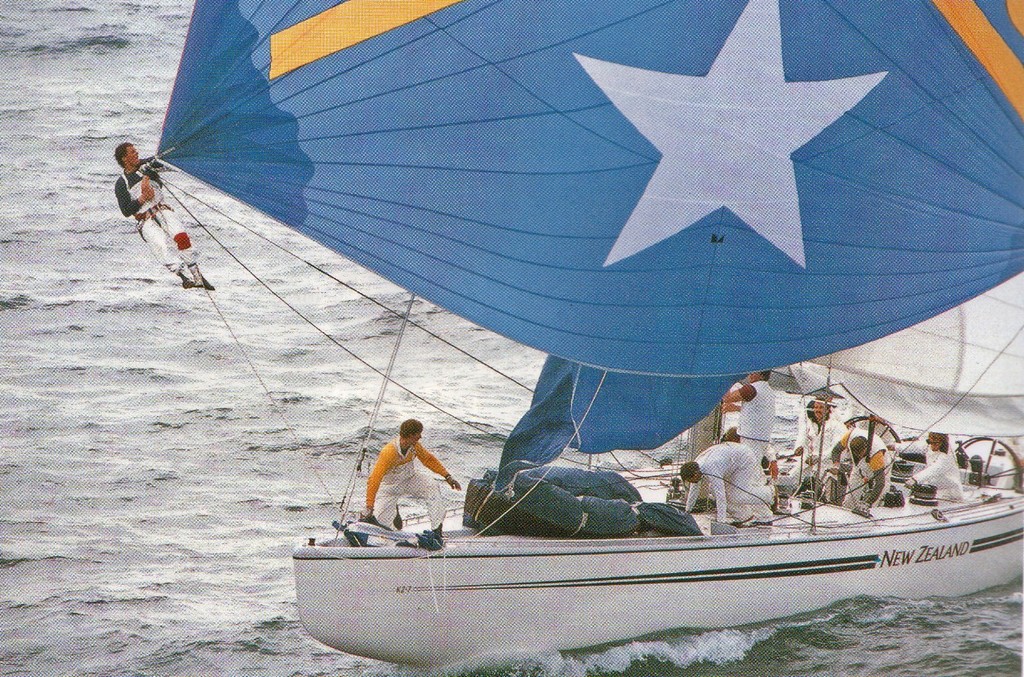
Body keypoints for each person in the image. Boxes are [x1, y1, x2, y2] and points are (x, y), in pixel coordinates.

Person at [114, 142, 213, 290]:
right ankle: (183, 277)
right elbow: (126, 211)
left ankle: (197, 275)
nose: (137, 154)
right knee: (161, 247)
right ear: (124, 158)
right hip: (146, 220)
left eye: (136, 151)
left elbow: (165, 163)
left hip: (162, 210)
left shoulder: (147, 166)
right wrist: (142, 199)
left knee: (181, 237)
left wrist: (152, 169)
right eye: (133, 152)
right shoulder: (121, 183)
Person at [362, 419, 461, 536]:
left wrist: (447, 476)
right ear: (410, 435)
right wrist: (369, 506)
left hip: (410, 479)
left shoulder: (414, 446)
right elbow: (374, 479)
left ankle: (437, 531)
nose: (420, 436)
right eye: (418, 434)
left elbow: (428, 460)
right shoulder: (388, 452)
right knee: (378, 526)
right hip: (389, 488)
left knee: (432, 485)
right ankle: (393, 512)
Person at [680, 429, 773, 525]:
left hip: (745, 459)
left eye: (691, 480)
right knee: (713, 489)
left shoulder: (710, 468)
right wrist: (687, 511)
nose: (692, 482)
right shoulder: (697, 466)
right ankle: (744, 516)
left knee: (738, 494)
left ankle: (770, 493)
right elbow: (694, 490)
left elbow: (721, 495)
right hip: (731, 461)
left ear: (695, 474)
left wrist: (721, 521)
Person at [721, 370, 778, 481]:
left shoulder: (751, 389)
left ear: (762, 375)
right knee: (754, 468)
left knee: (749, 472)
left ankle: (756, 493)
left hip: (750, 439)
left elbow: (726, 398)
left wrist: (728, 378)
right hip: (763, 439)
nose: (750, 374)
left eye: (754, 372)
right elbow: (759, 411)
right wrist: (736, 408)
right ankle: (762, 488)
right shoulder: (769, 391)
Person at [906, 432, 964, 502]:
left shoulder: (947, 455)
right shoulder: (929, 445)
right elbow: (914, 446)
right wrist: (895, 446)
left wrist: (915, 479)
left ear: (943, 442)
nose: (932, 446)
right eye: (931, 442)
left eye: (936, 443)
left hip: (950, 494)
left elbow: (935, 469)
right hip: (934, 490)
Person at [842, 433, 891, 513]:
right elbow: (836, 451)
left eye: (860, 453)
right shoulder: (848, 436)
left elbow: (880, 483)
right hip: (859, 468)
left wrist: (867, 503)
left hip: (882, 470)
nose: (858, 456)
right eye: (855, 454)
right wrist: (836, 465)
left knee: (873, 506)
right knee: (849, 500)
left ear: (866, 448)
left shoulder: (876, 455)